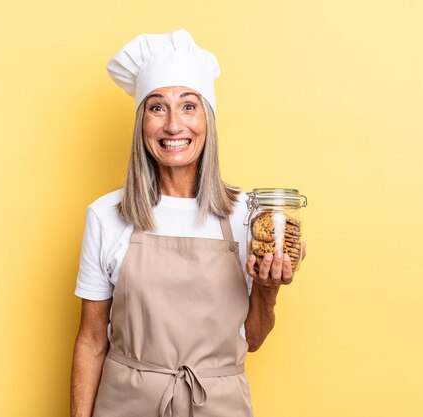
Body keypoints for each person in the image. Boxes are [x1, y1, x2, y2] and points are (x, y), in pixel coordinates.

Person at [70, 29, 307, 417]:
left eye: (189, 106)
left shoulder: (247, 215)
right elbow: (92, 341)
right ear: (141, 122)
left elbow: (254, 339)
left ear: (208, 120)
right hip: (125, 405)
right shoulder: (105, 215)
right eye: (157, 107)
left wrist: (267, 289)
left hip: (219, 406)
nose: (174, 126)